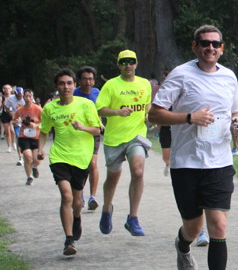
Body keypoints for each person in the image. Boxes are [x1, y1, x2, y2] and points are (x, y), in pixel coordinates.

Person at [148, 25, 238, 270]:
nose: (210, 48)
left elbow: (236, 111)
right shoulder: (181, 75)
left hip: (219, 163)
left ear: (222, 48)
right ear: (195, 46)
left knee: (218, 225)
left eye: (215, 44)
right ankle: (183, 244)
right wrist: (190, 117)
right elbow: (154, 114)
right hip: (187, 163)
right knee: (193, 227)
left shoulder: (229, 77)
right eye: (204, 43)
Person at [36, 69, 102, 256]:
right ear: (56, 87)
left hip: (81, 157)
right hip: (59, 156)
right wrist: (40, 149)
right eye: (62, 83)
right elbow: (44, 131)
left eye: (69, 83)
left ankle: (77, 216)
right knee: (66, 196)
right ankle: (69, 240)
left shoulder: (86, 104)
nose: (66, 87)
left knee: (77, 201)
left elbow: (97, 130)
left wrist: (82, 127)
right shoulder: (50, 108)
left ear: (74, 85)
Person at [96, 50, 152, 236]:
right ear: (118, 65)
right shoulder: (111, 85)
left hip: (137, 136)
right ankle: (106, 210)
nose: (128, 65)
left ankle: (133, 218)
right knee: (113, 177)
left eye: (131, 61)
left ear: (136, 63)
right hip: (114, 138)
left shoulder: (145, 84)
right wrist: (117, 112)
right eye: (124, 62)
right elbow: (100, 109)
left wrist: (148, 115)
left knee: (138, 171)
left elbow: (147, 105)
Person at [74, 66, 103, 210]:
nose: (88, 82)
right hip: (77, 133)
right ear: (79, 81)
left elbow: (102, 109)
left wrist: (101, 123)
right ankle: (79, 193)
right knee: (80, 166)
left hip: (93, 132)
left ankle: (93, 197)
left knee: (92, 164)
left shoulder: (97, 93)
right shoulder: (73, 94)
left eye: (90, 79)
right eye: (85, 79)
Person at [14, 89, 44, 186]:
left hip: (36, 136)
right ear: (23, 97)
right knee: (27, 156)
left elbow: (45, 122)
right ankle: (29, 177)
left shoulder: (38, 109)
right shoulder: (20, 110)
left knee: (37, 159)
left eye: (29, 96)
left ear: (32, 97)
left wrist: (36, 125)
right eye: (26, 96)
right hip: (24, 136)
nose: (27, 98)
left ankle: (34, 167)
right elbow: (13, 120)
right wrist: (16, 122)